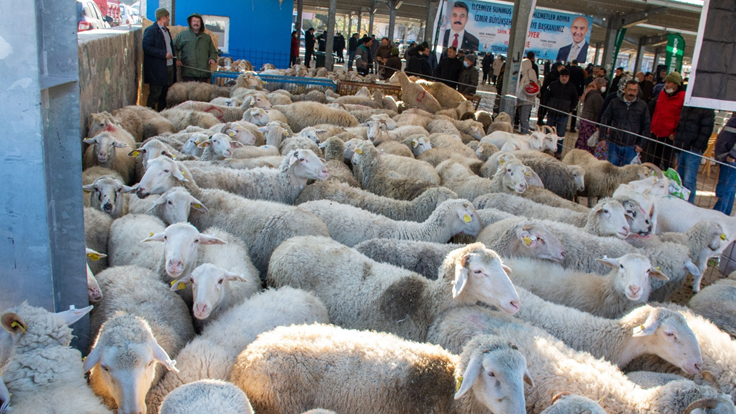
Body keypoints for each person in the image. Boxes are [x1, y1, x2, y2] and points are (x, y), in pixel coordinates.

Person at [600, 80, 650, 166]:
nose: (632, 93)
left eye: (634, 90)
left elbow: (646, 125)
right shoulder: (614, 102)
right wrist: (602, 137)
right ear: (625, 89)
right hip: (614, 143)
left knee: (628, 172)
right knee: (612, 169)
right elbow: (605, 119)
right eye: (630, 89)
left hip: (632, 145)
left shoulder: (643, 106)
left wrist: (641, 144)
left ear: (638, 91)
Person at [673, 106, 715, 203]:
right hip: (681, 146)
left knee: (689, 179)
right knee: (679, 177)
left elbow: (706, 131)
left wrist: (696, 147)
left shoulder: (707, 110)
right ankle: (679, 200)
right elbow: (681, 125)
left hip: (693, 150)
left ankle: (688, 203)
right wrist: (678, 142)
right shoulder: (686, 107)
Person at [644, 71, 685, 170]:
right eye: (666, 82)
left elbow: (682, 117)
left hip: (669, 135)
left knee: (667, 161)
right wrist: (652, 127)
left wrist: (674, 133)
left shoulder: (683, 97)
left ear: (676, 84)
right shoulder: (662, 94)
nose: (666, 85)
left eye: (669, 82)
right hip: (657, 132)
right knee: (653, 158)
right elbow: (656, 112)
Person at [143, 8, 176, 111]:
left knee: (165, 95)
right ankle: (149, 115)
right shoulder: (151, 31)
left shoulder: (166, 31)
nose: (169, 19)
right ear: (163, 17)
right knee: (155, 94)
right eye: (168, 17)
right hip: (157, 69)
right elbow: (147, 47)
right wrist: (163, 54)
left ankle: (162, 114)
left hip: (168, 67)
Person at [173, 13, 217, 83]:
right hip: (188, 73)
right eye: (194, 21)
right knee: (189, 93)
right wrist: (176, 59)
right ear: (190, 22)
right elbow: (174, 47)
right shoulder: (183, 35)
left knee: (203, 93)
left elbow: (213, 51)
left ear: (201, 23)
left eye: (198, 21)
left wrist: (212, 58)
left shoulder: (206, 37)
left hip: (203, 73)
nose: (196, 23)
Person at [542, 68, 577, 152]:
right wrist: (547, 106)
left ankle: (558, 152)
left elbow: (575, 99)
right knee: (548, 133)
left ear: (568, 77)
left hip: (563, 115)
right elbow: (546, 96)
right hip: (551, 113)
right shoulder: (552, 85)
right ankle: (546, 149)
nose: (564, 78)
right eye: (562, 76)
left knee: (561, 134)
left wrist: (570, 108)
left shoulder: (572, 87)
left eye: (566, 76)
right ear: (559, 76)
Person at [576, 77, 606, 154]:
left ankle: (579, 154)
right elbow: (599, 111)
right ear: (599, 85)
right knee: (588, 142)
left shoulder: (589, 93)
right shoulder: (597, 96)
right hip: (591, 122)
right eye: (603, 85)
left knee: (582, 140)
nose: (604, 87)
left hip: (584, 119)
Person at [714, 116, 736, 215]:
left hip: (731, 160)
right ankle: (724, 217)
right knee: (729, 190)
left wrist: (732, 155)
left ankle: (717, 217)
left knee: (725, 190)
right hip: (727, 157)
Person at [516, 57, 540, 134]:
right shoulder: (523, 74)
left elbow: (532, 84)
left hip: (527, 100)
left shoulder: (530, 72)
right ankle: (523, 132)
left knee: (524, 118)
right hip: (521, 99)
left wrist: (524, 86)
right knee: (521, 118)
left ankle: (525, 133)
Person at [567, 59, 585, 132]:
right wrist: (580, 94)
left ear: (572, 63)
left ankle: (564, 125)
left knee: (567, 108)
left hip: (567, 91)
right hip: (576, 92)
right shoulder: (580, 71)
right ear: (577, 64)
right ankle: (572, 127)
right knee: (575, 109)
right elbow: (582, 83)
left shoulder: (568, 69)